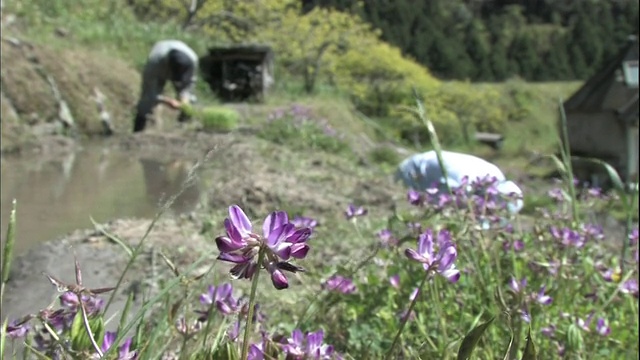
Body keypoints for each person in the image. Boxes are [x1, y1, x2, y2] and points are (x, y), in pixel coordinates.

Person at [395, 150, 524, 214]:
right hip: (411, 171)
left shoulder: (496, 176)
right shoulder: (460, 181)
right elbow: (441, 203)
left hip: (433, 173)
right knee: (406, 209)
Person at [133, 40, 199, 132]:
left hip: (180, 59)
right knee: (146, 103)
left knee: (189, 103)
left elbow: (189, 85)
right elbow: (150, 93)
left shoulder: (193, 60)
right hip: (160, 66)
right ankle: (138, 131)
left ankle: (185, 128)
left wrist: (185, 99)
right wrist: (168, 101)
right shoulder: (154, 63)